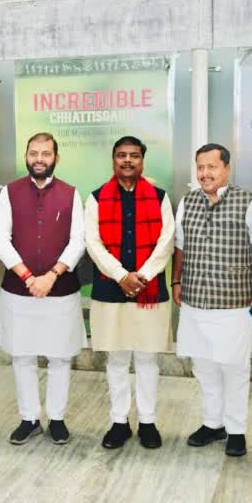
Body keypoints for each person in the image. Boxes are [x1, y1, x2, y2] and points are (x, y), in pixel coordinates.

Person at [173, 143, 252, 458]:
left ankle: (236, 430)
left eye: (212, 167)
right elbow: (180, 246)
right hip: (195, 300)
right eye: (200, 167)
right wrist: (176, 280)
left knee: (234, 367)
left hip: (235, 302)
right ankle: (213, 423)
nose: (205, 173)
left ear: (227, 168)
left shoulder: (249, 202)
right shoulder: (187, 202)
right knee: (203, 366)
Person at [0, 132, 87, 445]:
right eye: (34, 153)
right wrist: (28, 276)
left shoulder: (71, 193)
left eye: (46, 153)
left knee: (60, 357)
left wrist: (51, 276)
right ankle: (29, 418)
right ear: (26, 156)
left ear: (56, 158)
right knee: (23, 356)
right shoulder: (9, 192)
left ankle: (57, 419)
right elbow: (0, 240)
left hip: (61, 290)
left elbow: (78, 241)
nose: (39, 159)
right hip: (19, 290)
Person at [84, 136, 176, 450]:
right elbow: (93, 243)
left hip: (149, 290)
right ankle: (119, 422)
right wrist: (122, 276)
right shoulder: (96, 198)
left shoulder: (160, 197)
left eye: (134, 156)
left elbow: (166, 241)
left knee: (148, 358)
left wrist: (142, 276)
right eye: (121, 155)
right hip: (110, 289)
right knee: (117, 358)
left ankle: (148, 422)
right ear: (113, 160)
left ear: (142, 161)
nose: (127, 160)